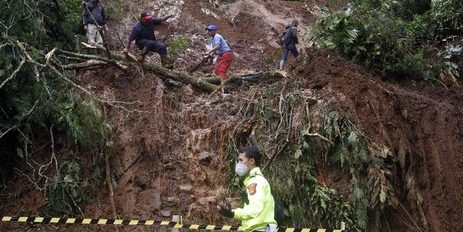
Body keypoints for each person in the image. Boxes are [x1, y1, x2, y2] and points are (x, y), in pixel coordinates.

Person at [218, 146, 277, 232]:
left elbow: (255, 208)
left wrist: (233, 213)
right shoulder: (255, 180)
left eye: (241, 160)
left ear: (252, 161)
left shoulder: (255, 181)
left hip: (260, 229)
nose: (238, 164)